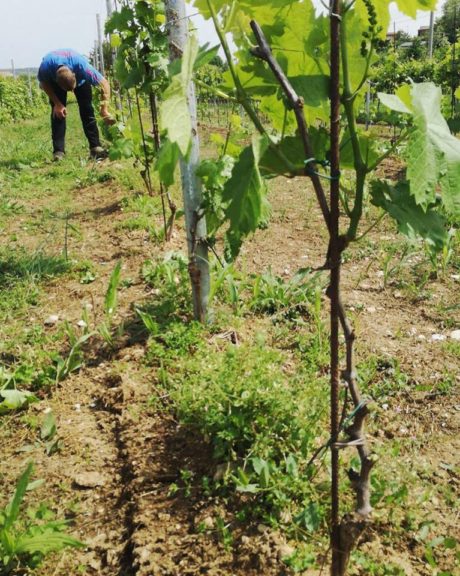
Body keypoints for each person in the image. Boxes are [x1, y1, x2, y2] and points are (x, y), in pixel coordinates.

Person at [38, 49, 114, 161]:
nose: (72, 92)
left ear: (75, 74)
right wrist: (57, 103)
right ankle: (58, 152)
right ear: (57, 83)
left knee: (87, 109)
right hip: (56, 79)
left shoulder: (81, 66)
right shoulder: (45, 67)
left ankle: (95, 147)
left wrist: (104, 110)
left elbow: (104, 84)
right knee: (58, 113)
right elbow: (44, 84)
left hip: (81, 81)